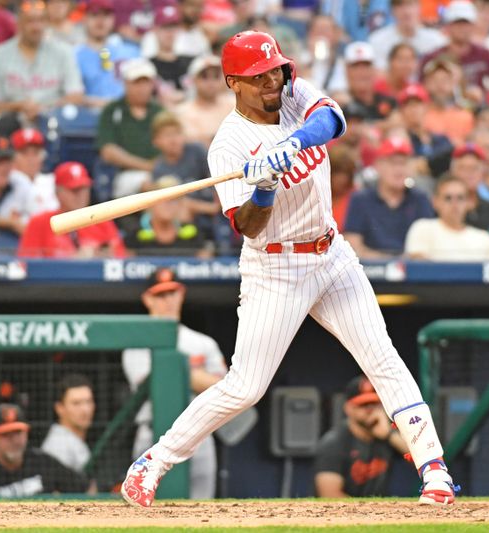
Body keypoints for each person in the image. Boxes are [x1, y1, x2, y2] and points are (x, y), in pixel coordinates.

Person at [120, 30, 458, 508]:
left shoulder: (294, 93)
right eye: (258, 76)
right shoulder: (228, 146)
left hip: (332, 254)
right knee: (245, 387)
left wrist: (295, 142)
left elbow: (334, 120)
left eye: (275, 69)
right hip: (274, 267)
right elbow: (250, 229)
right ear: (234, 83)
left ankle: (435, 470)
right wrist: (263, 187)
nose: (271, 81)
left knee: (382, 357)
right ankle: (154, 460)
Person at [122, 268, 227, 500]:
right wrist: (195, 374)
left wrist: (180, 372)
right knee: (148, 509)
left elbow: (225, 390)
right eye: (160, 295)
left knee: (202, 511)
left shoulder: (202, 342)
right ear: (147, 299)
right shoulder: (136, 343)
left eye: (172, 293)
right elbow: (158, 383)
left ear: (181, 295)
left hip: (200, 437)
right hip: (152, 435)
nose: (168, 301)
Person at [0, 0, 84, 130]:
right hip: (13, 121)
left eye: (41, 21)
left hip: (52, 121)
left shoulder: (63, 52)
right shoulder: (0, 55)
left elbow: (76, 96)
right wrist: (18, 106)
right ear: (19, 24)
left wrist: (43, 108)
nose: (36, 27)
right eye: (30, 21)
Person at [0, 403, 89, 496]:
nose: (14, 440)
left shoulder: (42, 462)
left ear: (27, 432)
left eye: (18, 432)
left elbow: (82, 486)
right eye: (5, 434)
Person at [314, 375, 409, 497]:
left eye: (374, 403)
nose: (370, 409)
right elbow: (330, 495)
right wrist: (369, 514)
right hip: (343, 515)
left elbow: (422, 462)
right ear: (348, 408)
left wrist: (389, 435)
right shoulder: (334, 442)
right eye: (363, 405)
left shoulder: (386, 436)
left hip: (378, 512)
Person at [344, 137, 434, 258]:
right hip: (368, 271)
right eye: (392, 163)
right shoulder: (360, 199)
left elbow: (428, 247)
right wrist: (391, 263)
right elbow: (353, 246)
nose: (399, 169)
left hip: (414, 272)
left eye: (403, 163)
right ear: (378, 166)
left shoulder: (420, 199)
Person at [18, 161, 126, 258]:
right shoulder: (40, 222)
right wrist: (73, 261)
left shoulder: (102, 220)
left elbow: (122, 260)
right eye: (74, 190)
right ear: (57, 192)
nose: (80, 195)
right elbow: (26, 266)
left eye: (84, 189)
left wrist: (102, 256)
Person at [96, 57, 164, 199]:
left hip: (160, 171)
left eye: (145, 82)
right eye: (136, 82)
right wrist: (147, 166)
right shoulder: (112, 110)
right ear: (125, 83)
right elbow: (108, 151)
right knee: (149, 184)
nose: (141, 88)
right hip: (124, 174)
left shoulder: (160, 111)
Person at [404, 175, 489, 261]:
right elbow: (419, 270)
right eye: (448, 198)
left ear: (469, 203)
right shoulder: (422, 228)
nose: (455, 204)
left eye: (460, 198)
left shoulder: (485, 239)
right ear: (435, 202)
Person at [418, 1, 489, 102]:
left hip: (479, 109)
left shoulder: (486, 56)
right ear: (448, 26)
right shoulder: (432, 57)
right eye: (457, 23)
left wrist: (482, 95)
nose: (462, 28)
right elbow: (422, 90)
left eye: (466, 23)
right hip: (442, 108)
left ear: (473, 26)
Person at [123, 176, 213, 257]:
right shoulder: (136, 236)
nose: (168, 205)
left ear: (180, 204)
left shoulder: (193, 234)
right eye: (162, 199)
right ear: (151, 204)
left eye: (174, 200)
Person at [76, 0, 137, 108]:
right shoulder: (74, 54)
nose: (100, 21)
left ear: (113, 19)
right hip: (88, 113)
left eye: (106, 15)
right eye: (94, 15)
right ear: (85, 19)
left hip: (126, 112)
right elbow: (70, 93)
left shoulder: (130, 51)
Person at [175, 55, 235, 149]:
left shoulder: (234, 104)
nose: (211, 82)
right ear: (194, 80)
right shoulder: (183, 112)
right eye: (204, 76)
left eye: (216, 76)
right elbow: (192, 145)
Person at [41, 374, 96, 476]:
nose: (85, 410)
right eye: (76, 403)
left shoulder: (72, 440)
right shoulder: (58, 445)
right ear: (59, 408)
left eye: (89, 401)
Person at [368, 0, 447, 71]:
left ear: (419, 7)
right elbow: (378, 74)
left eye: (410, 4)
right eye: (400, 5)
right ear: (392, 11)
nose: (406, 11)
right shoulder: (377, 40)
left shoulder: (437, 41)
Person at [450, 143, 489, 236]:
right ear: (453, 173)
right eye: (463, 168)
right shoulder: (444, 209)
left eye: (474, 168)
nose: (469, 173)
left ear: (483, 173)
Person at [10, 128, 60, 217]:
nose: (30, 159)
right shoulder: (7, 182)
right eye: (24, 153)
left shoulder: (52, 181)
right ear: (14, 157)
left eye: (35, 153)